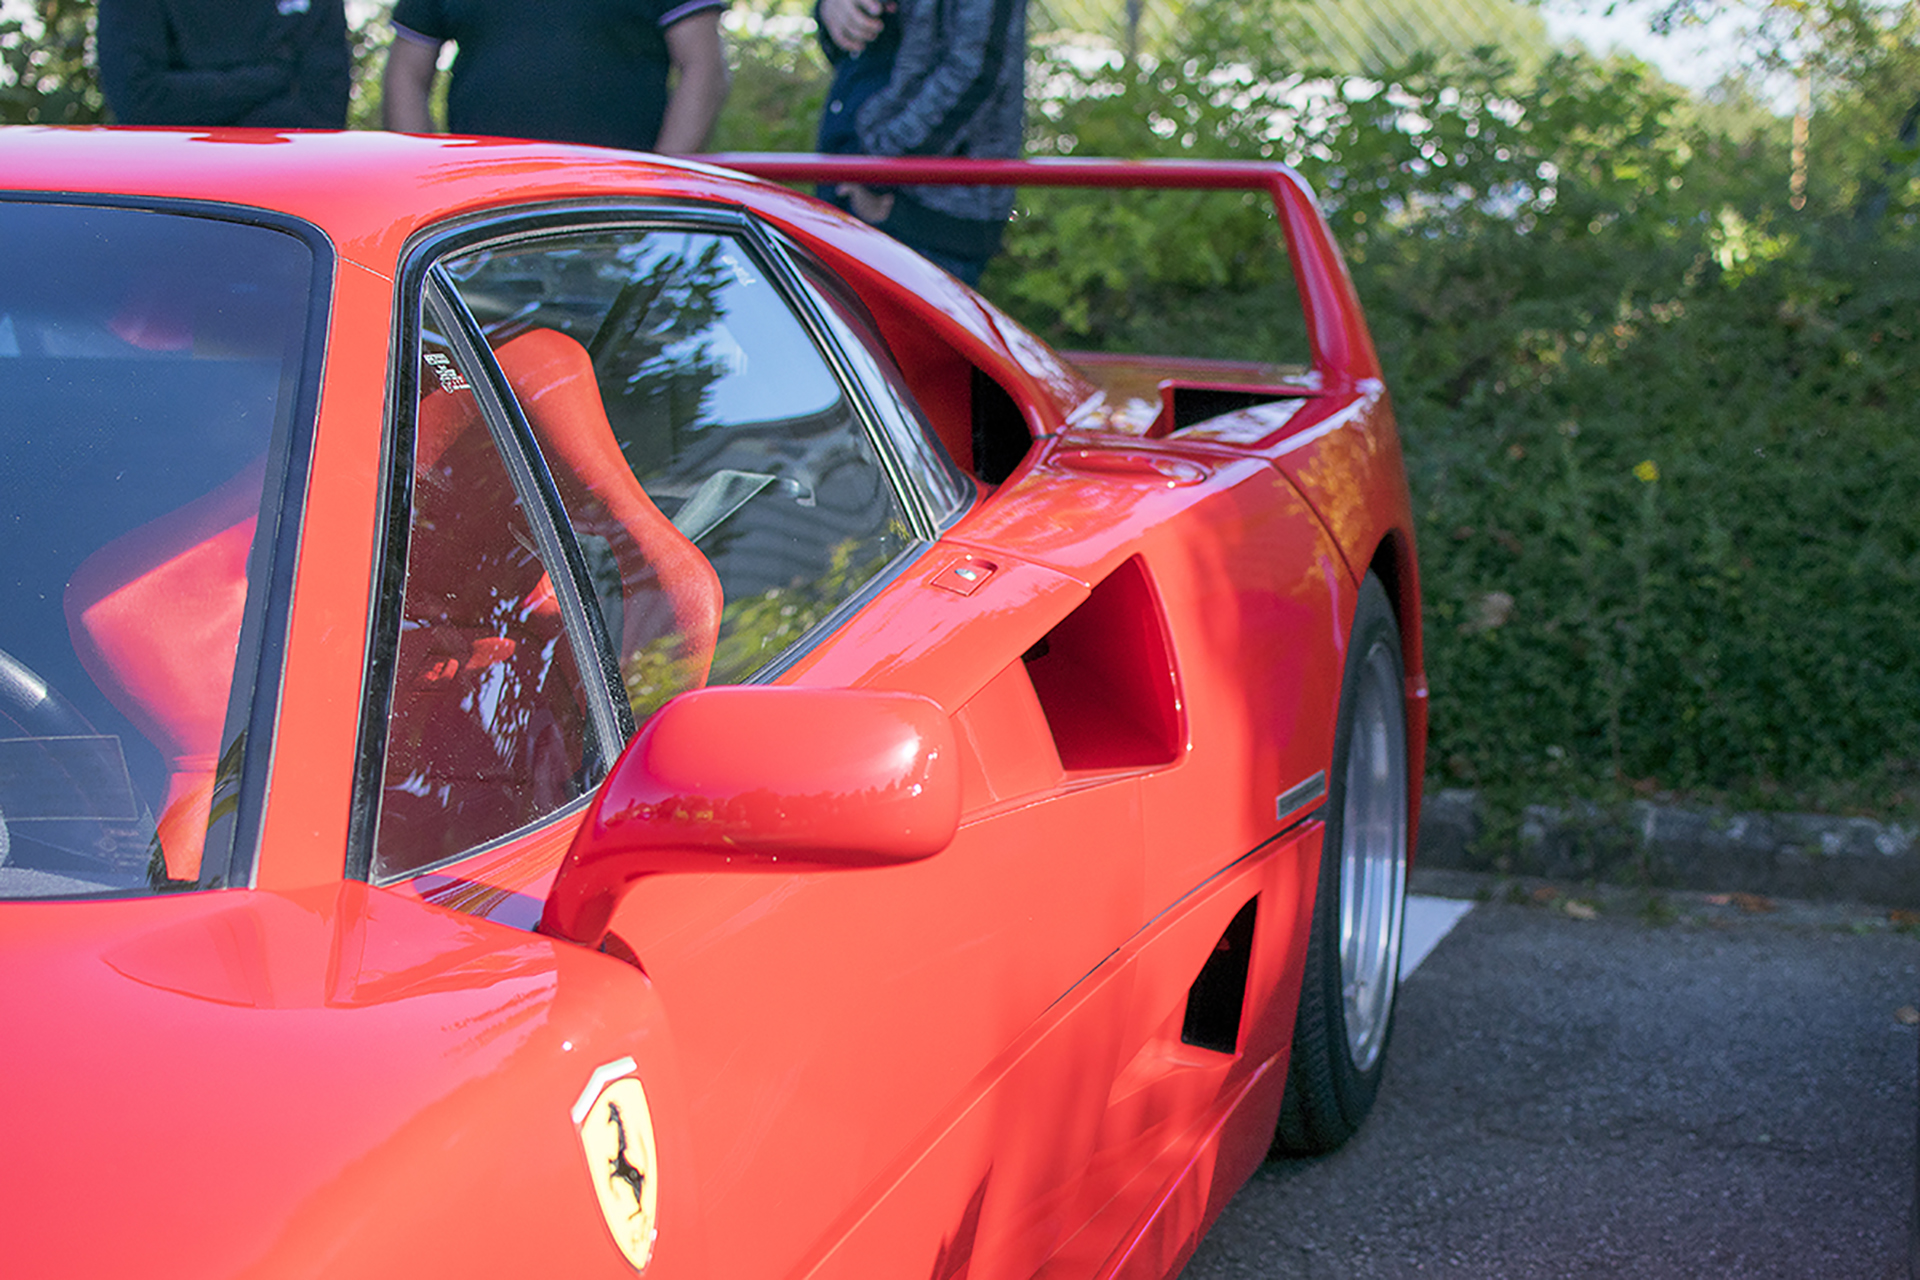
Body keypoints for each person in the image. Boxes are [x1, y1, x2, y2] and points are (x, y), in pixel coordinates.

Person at [814, 0, 1027, 286]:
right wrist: (830, 11)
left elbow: (977, 68)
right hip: (847, 185)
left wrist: (878, 172)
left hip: (920, 213)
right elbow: (858, 52)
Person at [381, 0, 730, 154]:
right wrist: (427, 183)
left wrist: (661, 186)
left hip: (619, 207)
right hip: (482, 207)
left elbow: (704, 68)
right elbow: (406, 73)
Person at [96, 0, 349, 128]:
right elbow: (139, 101)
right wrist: (275, 77)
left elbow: (323, 114)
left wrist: (196, 99)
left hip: (286, 196)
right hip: (170, 199)